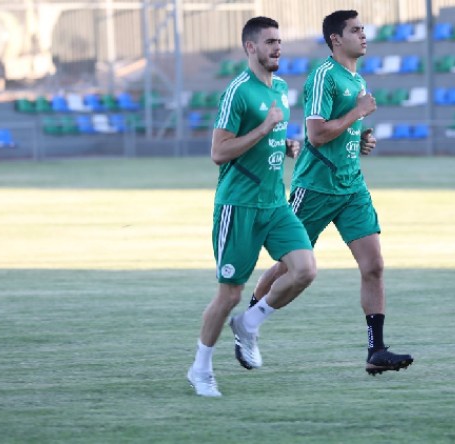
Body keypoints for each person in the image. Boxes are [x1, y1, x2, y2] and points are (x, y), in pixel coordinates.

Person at [248, 10, 413, 376]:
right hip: (316, 187)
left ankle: (376, 351)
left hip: (351, 186)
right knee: (288, 265)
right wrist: (358, 113)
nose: (363, 35)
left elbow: (343, 132)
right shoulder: (324, 75)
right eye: (355, 30)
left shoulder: (357, 78)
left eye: (363, 29)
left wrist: (362, 139)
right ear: (336, 39)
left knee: (374, 266)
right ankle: (249, 320)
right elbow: (317, 134)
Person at [187, 16, 317, 397]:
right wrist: (263, 129)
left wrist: (284, 145)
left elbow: (268, 139)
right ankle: (200, 369)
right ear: (251, 47)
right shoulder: (238, 92)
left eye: (279, 41)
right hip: (239, 206)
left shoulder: (281, 89)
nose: (278, 48)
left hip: (275, 204)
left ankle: (249, 324)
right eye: (270, 42)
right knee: (229, 295)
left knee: (305, 270)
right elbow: (218, 152)